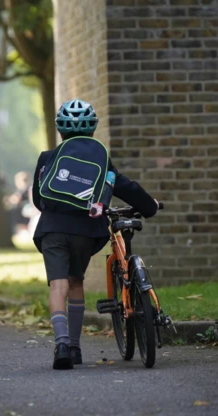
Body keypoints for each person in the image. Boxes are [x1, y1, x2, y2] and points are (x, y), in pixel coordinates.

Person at [32, 99, 159, 370]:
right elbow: (124, 186)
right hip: (86, 230)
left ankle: (62, 344)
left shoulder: (47, 157)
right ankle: (76, 349)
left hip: (52, 227)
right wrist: (149, 207)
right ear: (93, 130)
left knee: (58, 286)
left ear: (60, 130)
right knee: (76, 282)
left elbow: (37, 197)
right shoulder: (100, 158)